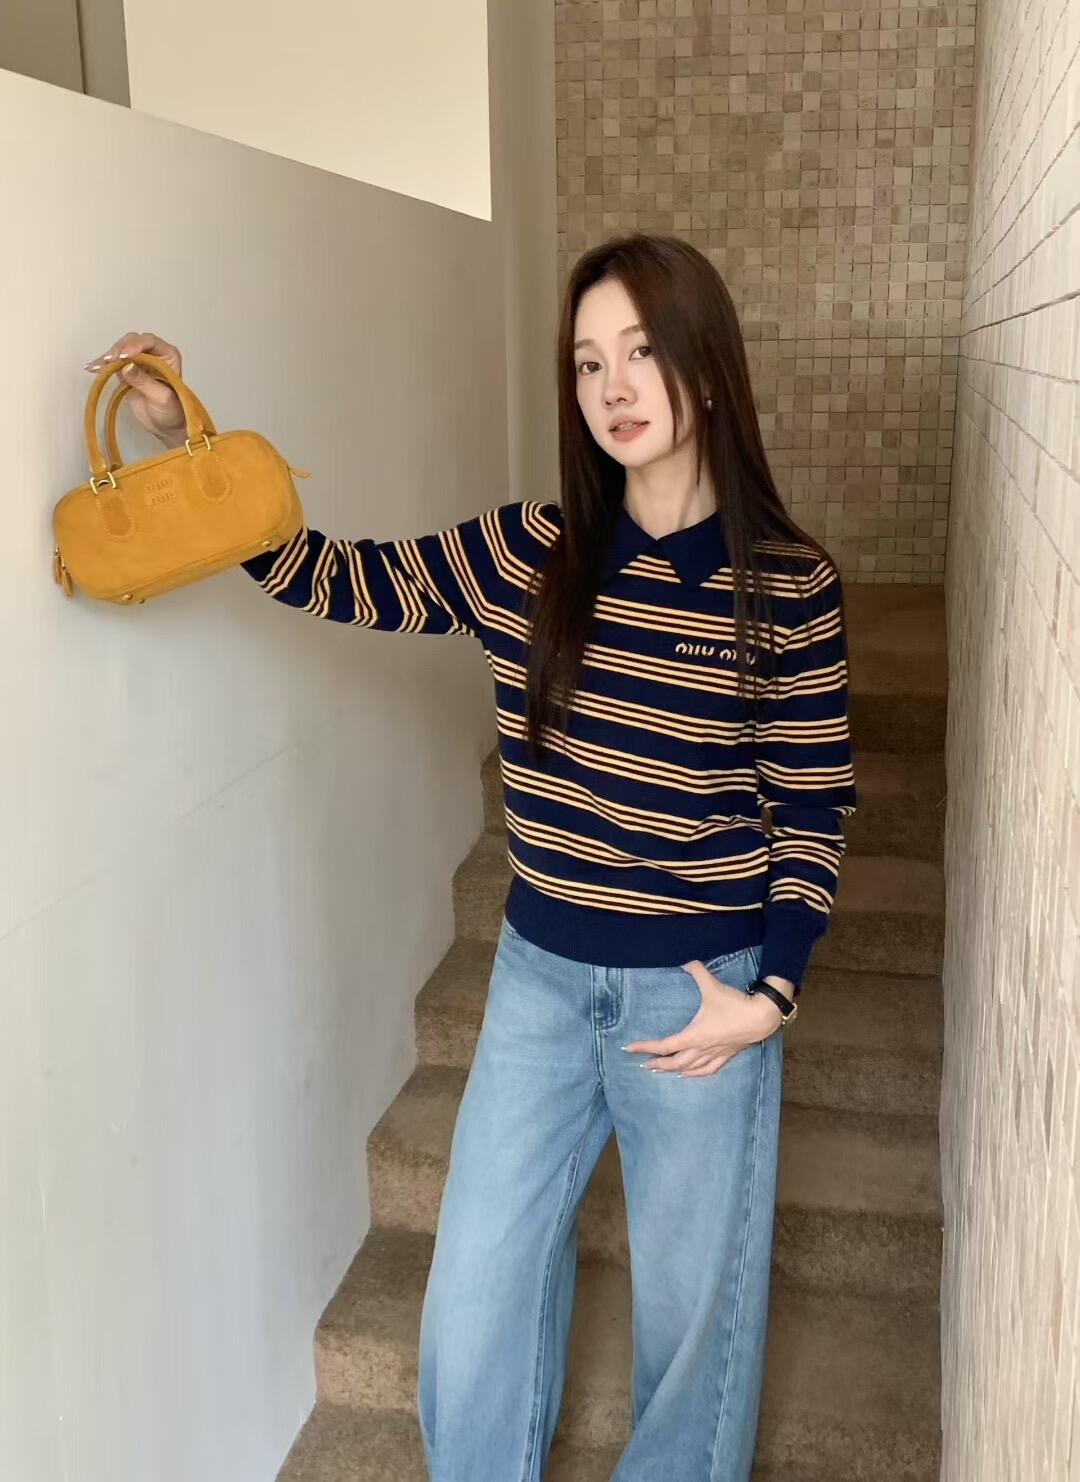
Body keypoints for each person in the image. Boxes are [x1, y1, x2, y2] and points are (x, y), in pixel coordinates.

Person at [84, 231, 856, 1481]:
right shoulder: (523, 552)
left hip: (699, 995)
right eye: (588, 362)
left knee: (695, 1332)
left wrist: (770, 993)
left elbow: (814, 804)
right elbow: (326, 576)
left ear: (709, 369)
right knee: (475, 1299)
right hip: (541, 981)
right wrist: (192, 441)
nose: (613, 387)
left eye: (642, 352)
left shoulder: (787, 585)